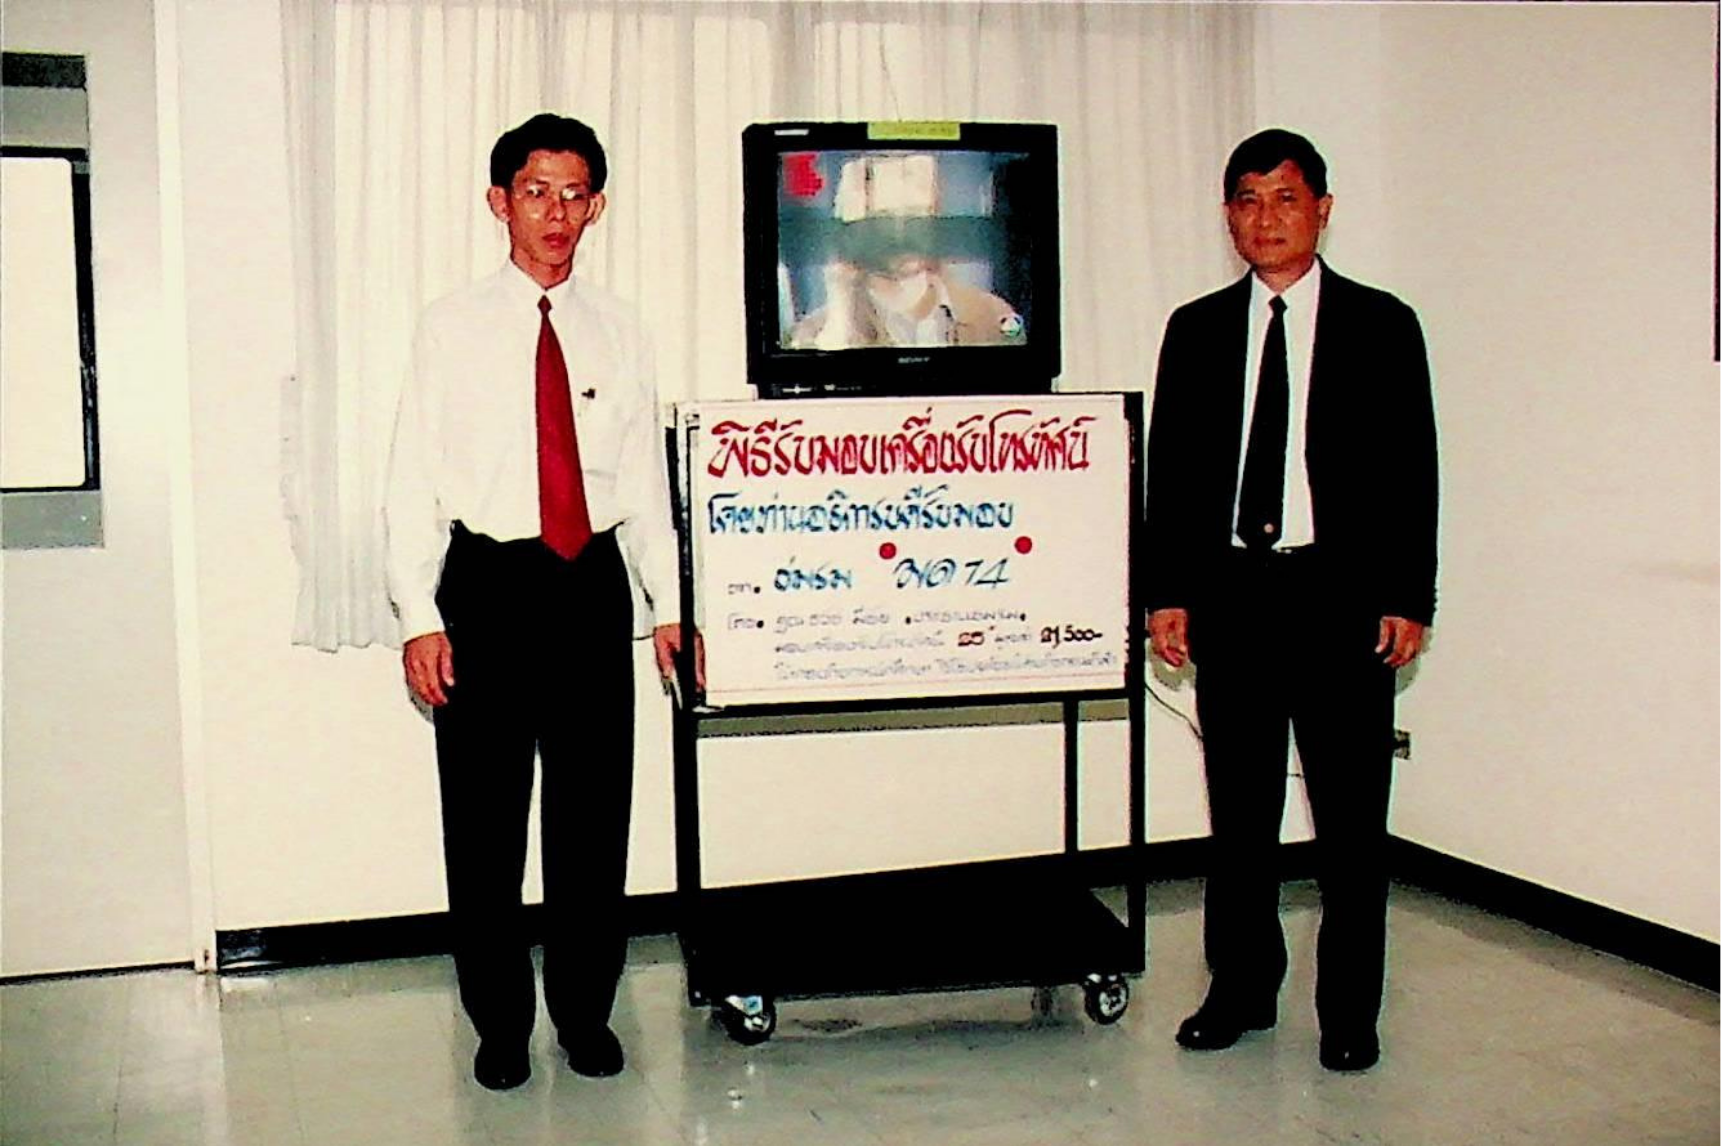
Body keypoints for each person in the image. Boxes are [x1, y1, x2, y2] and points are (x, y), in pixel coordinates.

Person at [384, 113, 702, 1091]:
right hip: (486, 587)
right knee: (484, 826)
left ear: (595, 206)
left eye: (574, 194)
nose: (555, 213)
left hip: (588, 585)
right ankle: (497, 1023)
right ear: (499, 203)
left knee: (590, 820)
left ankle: (584, 1013)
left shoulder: (620, 328)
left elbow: (643, 482)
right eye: (535, 192)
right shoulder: (450, 326)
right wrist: (418, 617)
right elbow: (409, 480)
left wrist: (668, 604)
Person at [1143, 128, 1438, 1073]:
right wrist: (1164, 592)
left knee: (1350, 825)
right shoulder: (1195, 328)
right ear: (1226, 215)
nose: (1264, 218)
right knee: (1239, 820)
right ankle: (1238, 990)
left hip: (1340, 599)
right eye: (1246, 199)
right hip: (1232, 596)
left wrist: (1408, 595)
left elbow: (1414, 469)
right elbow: (1172, 474)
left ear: (1321, 209)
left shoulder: (1381, 324)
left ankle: (1348, 1013)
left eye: (1284, 198)